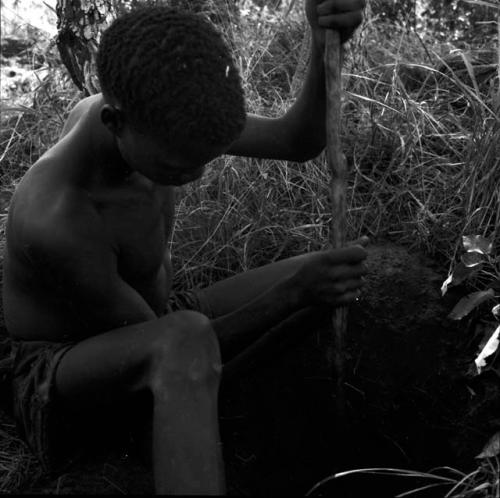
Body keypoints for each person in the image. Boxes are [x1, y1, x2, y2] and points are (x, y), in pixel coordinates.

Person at [2, 0, 367, 494]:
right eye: (178, 168)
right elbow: (174, 343)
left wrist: (326, 41)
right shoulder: (57, 219)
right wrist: (291, 295)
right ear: (116, 123)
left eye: (205, 161)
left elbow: (295, 141)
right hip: (63, 376)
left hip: (154, 320)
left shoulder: (166, 113)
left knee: (328, 270)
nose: (193, 176)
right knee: (195, 337)